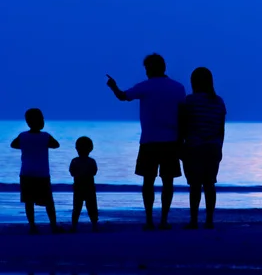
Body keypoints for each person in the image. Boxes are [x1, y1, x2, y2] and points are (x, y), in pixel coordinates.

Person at [106, 53, 185, 230]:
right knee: (168, 183)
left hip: (149, 141)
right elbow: (182, 116)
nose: (146, 71)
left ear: (150, 68)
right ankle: (164, 220)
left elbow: (122, 96)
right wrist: (182, 141)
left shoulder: (145, 87)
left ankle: (149, 220)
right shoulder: (178, 88)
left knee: (148, 182)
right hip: (171, 141)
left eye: (146, 68)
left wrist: (113, 86)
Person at [181, 68, 226, 229]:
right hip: (213, 147)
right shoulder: (219, 102)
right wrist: (219, 147)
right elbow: (221, 129)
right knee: (209, 184)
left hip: (194, 147)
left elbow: (183, 126)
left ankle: (193, 221)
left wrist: (182, 147)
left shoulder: (189, 101)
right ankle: (209, 220)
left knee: (195, 186)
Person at [11, 108, 60, 234]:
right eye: (42, 118)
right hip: (42, 174)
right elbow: (56, 145)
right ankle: (53, 226)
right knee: (48, 201)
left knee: (29, 202)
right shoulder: (45, 136)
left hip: (26, 173)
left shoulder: (23, 136)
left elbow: (13, 145)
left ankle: (32, 226)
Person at [69, 136, 98, 232]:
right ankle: (94, 225)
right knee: (92, 206)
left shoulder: (74, 161)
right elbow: (94, 172)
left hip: (78, 186)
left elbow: (72, 172)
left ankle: (74, 226)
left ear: (76, 148)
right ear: (91, 148)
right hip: (89, 186)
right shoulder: (91, 161)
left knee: (76, 207)